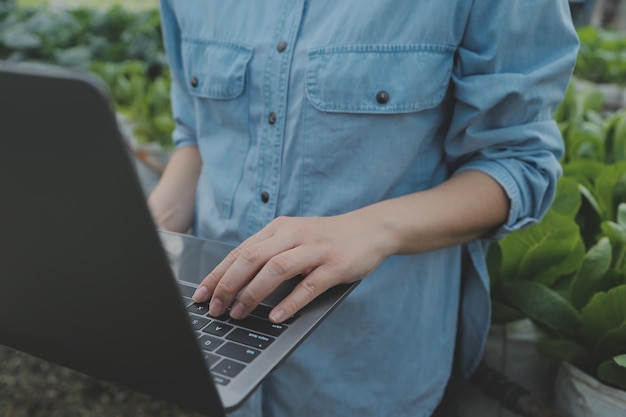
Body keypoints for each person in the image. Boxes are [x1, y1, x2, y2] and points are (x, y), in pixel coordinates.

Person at [148, 1, 579, 416]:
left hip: (366, 366)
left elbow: (517, 164)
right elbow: (198, 136)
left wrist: (371, 229)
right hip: (213, 344)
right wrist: (146, 231)